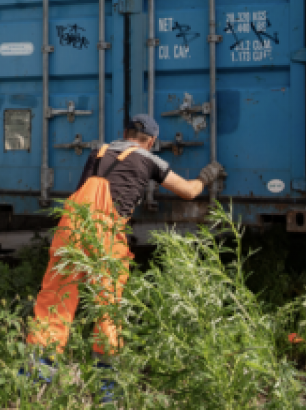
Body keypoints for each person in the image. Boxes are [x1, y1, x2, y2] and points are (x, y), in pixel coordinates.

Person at [27, 114, 226, 359]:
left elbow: (81, 192)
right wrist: (208, 175)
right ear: (151, 141)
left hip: (73, 226)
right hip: (106, 232)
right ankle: (107, 373)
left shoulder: (98, 152)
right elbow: (188, 191)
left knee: (56, 295)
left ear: (125, 132)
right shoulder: (149, 160)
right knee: (108, 303)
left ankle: (39, 367)